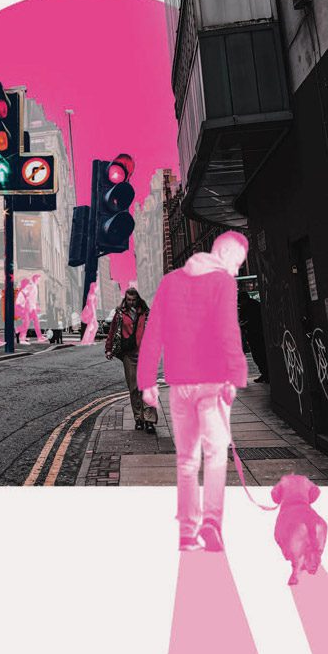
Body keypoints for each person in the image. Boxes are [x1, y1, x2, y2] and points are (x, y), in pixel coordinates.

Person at [138, 233, 253, 553]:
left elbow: (154, 331)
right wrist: (236, 376)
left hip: (180, 385)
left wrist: (147, 381)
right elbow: (229, 330)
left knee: (187, 460)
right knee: (215, 456)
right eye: (237, 262)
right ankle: (212, 524)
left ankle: (187, 532)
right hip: (213, 382)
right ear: (226, 253)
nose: (235, 270)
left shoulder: (171, 281)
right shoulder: (222, 282)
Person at [105, 284, 152, 430]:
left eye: (133, 299)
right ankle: (138, 418)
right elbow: (112, 332)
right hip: (129, 355)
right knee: (134, 388)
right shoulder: (120, 314)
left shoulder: (146, 312)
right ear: (126, 299)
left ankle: (149, 420)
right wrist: (108, 349)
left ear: (138, 299)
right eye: (129, 299)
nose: (131, 302)